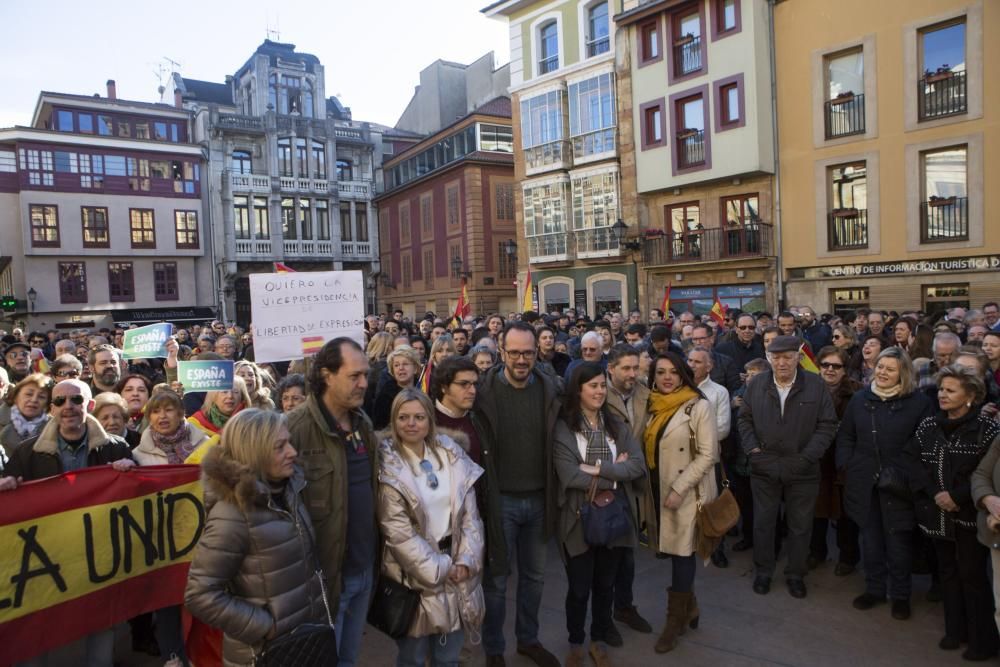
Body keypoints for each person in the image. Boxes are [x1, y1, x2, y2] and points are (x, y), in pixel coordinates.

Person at [185, 409, 326, 667]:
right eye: (280, 446)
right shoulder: (232, 515)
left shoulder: (289, 490)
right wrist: (266, 627)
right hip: (263, 655)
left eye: (289, 442)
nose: (292, 452)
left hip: (303, 642)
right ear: (255, 452)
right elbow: (200, 595)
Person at [376, 389, 485, 666]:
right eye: (403, 417)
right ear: (393, 420)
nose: (411, 423)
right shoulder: (387, 465)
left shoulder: (451, 453)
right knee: (412, 658)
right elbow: (398, 533)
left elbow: (471, 516)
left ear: (429, 420)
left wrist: (465, 562)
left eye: (419, 417)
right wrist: (442, 568)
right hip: (415, 581)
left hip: (459, 571)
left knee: (448, 658)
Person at [287, 338, 378, 667]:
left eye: (366, 375)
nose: (364, 383)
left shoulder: (362, 423)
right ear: (327, 375)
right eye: (355, 376)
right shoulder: (293, 429)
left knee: (349, 659)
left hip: (363, 569)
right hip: (323, 580)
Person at [475, 321, 561, 667]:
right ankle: (494, 648)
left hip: (540, 499)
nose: (522, 359)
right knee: (495, 582)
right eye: (515, 353)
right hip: (500, 501)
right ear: (502, 351)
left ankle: (528, 639)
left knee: (535, 578)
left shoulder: (551, 387)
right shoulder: (482, 392)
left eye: (528, 352)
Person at [553, 363, 646, 665]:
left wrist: (599, 469)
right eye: (592, 386)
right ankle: (576, 641)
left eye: (602, 385)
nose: (599, 391)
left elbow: (637, 466)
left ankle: (598, 639)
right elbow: (569, 475)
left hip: (613, 517)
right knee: (579, 589)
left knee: (605, 585)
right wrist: (616, 473)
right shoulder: (564, 427)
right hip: (578, 519)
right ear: (578, 389)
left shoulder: (616, 425)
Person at [739, 335, 837, 599]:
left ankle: (795, 574)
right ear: (769, 358)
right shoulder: (757, 384)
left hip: (803, 469)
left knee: (800, 525)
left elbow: (827, 425)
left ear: (798, 358)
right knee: (763, 523)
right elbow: (745, 420)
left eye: (787, 357)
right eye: (776, 357)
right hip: (764, 468)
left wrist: (807, 457)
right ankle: (763, 572)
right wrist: (754, 452)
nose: (781, 363)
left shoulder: (816, 385)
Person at [913, 366, 1000, 659]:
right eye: (941, 389)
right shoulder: (928, 425)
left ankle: (982, 641)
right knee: (947, 572)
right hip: (937, 512)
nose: (942, 395)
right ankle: (954, 631)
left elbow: (984, 473)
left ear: (971, 396)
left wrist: (955, 496)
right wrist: (936, 493)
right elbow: (914, 462)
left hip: (969, 515)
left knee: (972, 576)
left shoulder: (987, 429)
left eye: (950, 390)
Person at [837, 347, 930, 621]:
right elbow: (846, 436)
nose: (883, 373)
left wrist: (901, 470)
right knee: (871, 540)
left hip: (900, 484)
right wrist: (848, 463)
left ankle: (900, 596)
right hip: (864, 481)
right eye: (880, 367)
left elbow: (923, 443)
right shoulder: (859, 399)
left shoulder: (919, 403)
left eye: (890, 369)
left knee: (899, 542)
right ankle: (875, 589)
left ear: (904, 373)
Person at [642, 351, 718, 653]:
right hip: (657, 491)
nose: (667, 378)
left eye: (673, 372)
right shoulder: (651, 406)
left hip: (686, 494)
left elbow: (709, 454)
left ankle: (674, 621)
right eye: (660, 372)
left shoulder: (698, 406)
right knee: (673, 553)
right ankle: (691, 606)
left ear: (684, 374)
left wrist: (680, 488)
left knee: (683, 554)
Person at [603, 344, 653, 639]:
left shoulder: (647, 394)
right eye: (626, 368)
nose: (633, 374)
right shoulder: (596, 392)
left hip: (635, 485)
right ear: (611, 368)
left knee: (628, 553)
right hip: (606, 483)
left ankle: (624, 606)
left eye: (636, 368)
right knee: (606, 554)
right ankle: (603, 615)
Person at [812, 347, 862, 575]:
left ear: (845, 369)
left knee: (845, 516)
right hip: (817, 461)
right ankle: (816, 553)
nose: (830, 370)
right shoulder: (808, 390)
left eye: (836, 366)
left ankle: (847, 558)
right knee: (816, 512)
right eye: (825, 365)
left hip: (844, 462)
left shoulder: (857, 392)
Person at [134, 390, 214, 465]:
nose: (162, 416)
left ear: (180, 414)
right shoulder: (137, 455)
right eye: (156, 411)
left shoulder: (206, 445)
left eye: (168, 410)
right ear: (149, 417)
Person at [0, 372, 52, 453]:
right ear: (16, 397)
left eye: (41, 396)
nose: (34, 400)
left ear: (47, 403)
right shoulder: (3, 423)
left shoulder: (55, 427)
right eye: (29, 394)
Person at [372, 345, 422, 430]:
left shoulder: (424, 388)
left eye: (405, 364)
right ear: (392, 371)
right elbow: (379, 426)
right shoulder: (385, 395)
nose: (401, 368)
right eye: (396, 365)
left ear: (415, 369)